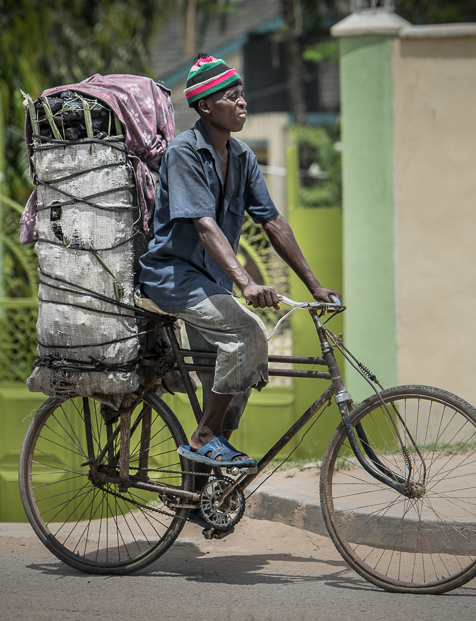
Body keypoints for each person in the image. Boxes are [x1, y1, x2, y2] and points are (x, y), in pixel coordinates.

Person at [138, 55, 340, 468]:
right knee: (248, 332)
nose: (243, 103)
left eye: (242, 95)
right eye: (232, 97)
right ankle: (204, 437)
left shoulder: (243, 157)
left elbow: (273, 223)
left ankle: (203, 485)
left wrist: (314, 286)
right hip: (174, 278)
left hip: (211, 283)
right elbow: (205, 226)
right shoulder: (184, 153)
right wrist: (247, 282)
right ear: (206, 107)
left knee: (238, 377)